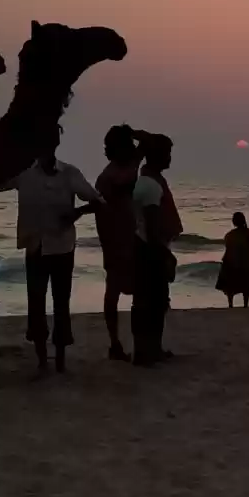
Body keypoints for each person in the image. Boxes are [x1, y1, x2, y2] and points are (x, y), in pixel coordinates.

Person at [0, 128, 102, 373]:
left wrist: (77, 212)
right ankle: (42, 359)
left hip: (62, 247)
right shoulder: (23, 173)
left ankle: (60, 360)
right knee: (36, 303)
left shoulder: (69, 173)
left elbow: (97, 201)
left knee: (61, 303)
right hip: (35, 246)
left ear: (54, 144)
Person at [95, 124, 144, 362]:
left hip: (131, 236)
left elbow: (153, 143)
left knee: (137, 290)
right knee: (114, 290)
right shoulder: (108, 177)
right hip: (115, 239)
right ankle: (115, 342)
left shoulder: (126, 167)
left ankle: (137, 342)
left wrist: (136, 135)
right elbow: (103, 207)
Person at [131, 135, 181, 366]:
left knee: (145, 301)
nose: (169, 157)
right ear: (157, 155)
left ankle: (147, 349)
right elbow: (152, 225)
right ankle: (149, 351)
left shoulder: (145, 181)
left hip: (144, 246)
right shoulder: (151, 186)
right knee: (155, 302)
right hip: (150, 248)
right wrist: (164, 254)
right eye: (167, 153)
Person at [216, 212, 249, 307]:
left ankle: (230, 304)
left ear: (234, 222)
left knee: (230, 286)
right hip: (245, 262)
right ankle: (245, 305)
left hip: (231, 262)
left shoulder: (230, 235)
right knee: (245, 286)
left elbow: (228, 250)